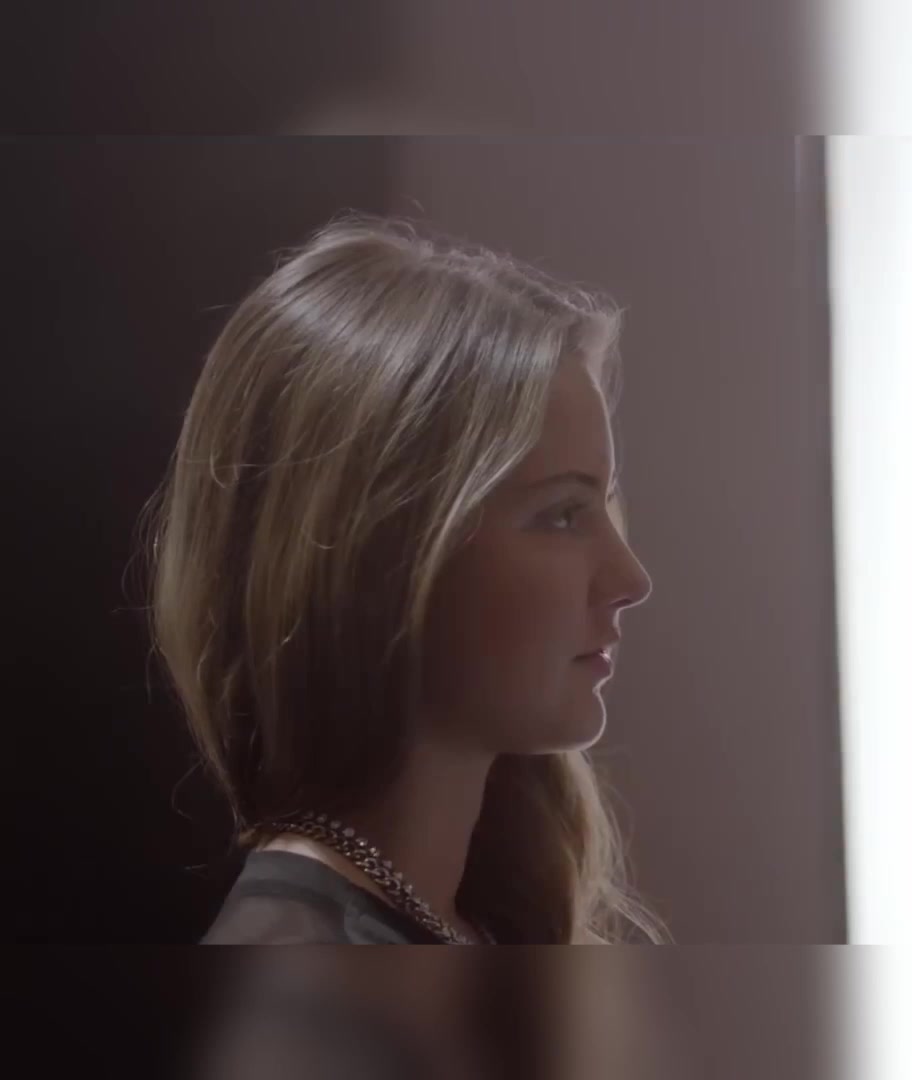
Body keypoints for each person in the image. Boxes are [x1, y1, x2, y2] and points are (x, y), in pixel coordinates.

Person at [145, 216, 667, 944]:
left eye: (603, 506)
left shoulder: (468, 916)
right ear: (382, 551)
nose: (630, 578)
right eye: (561, 515)